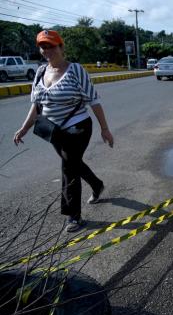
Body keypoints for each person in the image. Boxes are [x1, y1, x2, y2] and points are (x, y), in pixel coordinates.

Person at [13, 30, 114, 232]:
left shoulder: (75, 70)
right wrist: (24, 128)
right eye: (43, 46)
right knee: (73, 163)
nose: (47, 50)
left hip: (78, 127)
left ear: (61, 47)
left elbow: (94, 101)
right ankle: (97, 185)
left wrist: (105, 129)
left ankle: (73, 216)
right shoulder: (40, 72)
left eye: (51, 45)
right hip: (53, 131)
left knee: (68, 167)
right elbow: (36, 105)